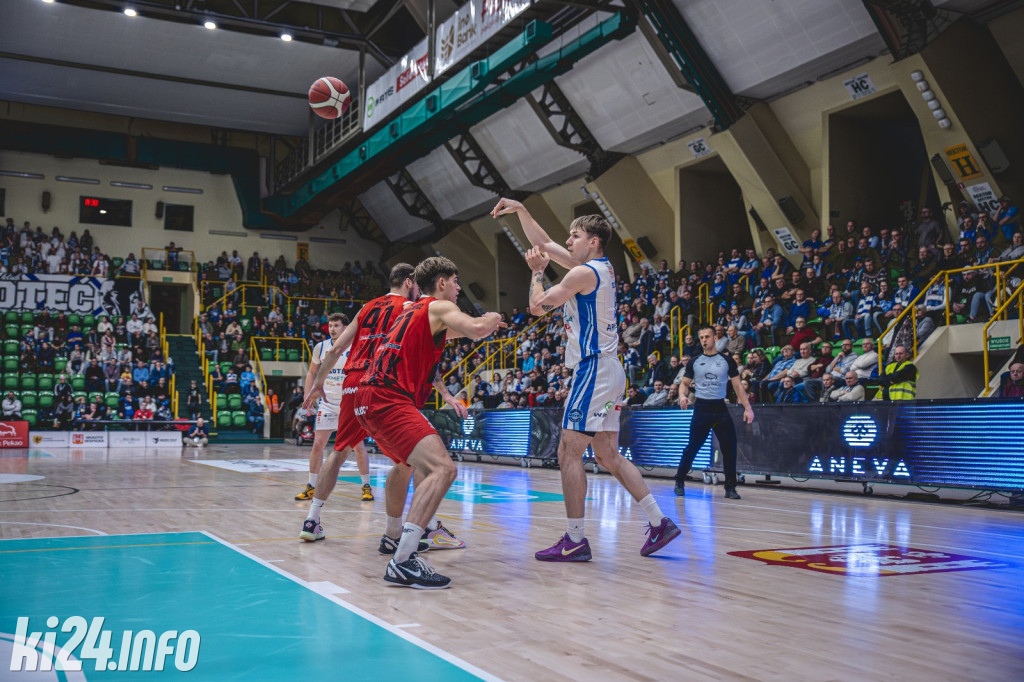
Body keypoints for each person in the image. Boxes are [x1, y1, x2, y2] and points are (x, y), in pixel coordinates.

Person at [493, 197, 681, 561]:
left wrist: (536, 272)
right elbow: (545, 243)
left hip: (594, 368)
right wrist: (522, 212)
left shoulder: (582, 273)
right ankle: (660, 522)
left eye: (575, 236)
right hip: (609, 369)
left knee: (568, 451)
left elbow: (537, 307)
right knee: (608, 454)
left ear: (593, 241)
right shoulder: (597, 268)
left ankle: (575, 539)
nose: (568, 241)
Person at [354, 257, 504, 588]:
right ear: (441, 283)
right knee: (443, 469)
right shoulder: (438, 307)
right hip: (389, 399)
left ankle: (393, 536)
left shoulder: (409, 312)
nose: (459, 288)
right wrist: (492, 318)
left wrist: (478, 329)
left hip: (366, 399)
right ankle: (404, 559)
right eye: (455, 281)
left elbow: (453, 334)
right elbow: (477, 329)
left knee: (406, 465)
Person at [300, 264, 467, 552]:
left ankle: (312, 520)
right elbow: (426, 346)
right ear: (409, 282)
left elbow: (336, 349)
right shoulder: (411, 309)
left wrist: (318, 382)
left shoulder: (366, 308)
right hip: (382, 383)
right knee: (415, 459)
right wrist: (446, 392)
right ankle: (422, 529)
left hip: (353, 383)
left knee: (338, 452)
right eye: (416, 284)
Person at [295, 313, 373, 503]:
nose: (332, 329)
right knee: (317, 445)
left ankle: (366, 486)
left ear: (346, 327)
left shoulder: (356, 346)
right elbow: (312, 372)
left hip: (350, 403)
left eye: (336, 325)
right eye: (330, 325)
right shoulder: (321, 347)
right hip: (327, 402)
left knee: (358, 447)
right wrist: (307, 395)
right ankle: (311, 486)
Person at [675, 324, 755, 499]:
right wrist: (682, 396)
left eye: (707, 336)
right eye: (701, 337)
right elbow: (684, 384)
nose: (704, 340)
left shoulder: (727, 360)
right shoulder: (694, 361)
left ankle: (730, 488)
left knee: (729, 449)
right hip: (702, 408)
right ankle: (679, 480)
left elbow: (737, 386)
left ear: (714, 338)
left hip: (720, 408)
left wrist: (747, 408)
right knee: (692, 448)